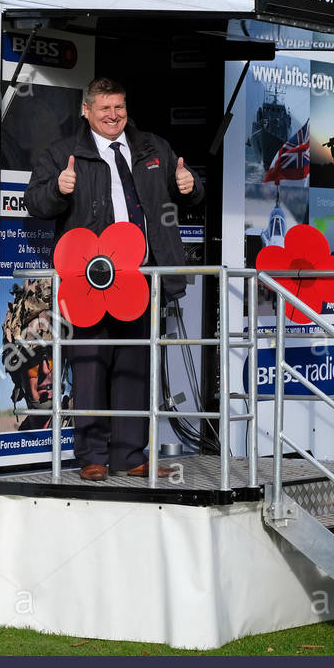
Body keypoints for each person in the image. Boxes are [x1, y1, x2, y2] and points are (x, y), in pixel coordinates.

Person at [24, 78, 203, 482]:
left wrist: (191, 187)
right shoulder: (63, 154)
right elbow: (34, 202)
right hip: (89, 282)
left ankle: (129, 455)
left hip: (141, 280)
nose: (113, 115)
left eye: (119, 107)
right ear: (86, 110)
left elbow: (189, 192)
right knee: (90, 367)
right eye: (104, 108)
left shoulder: (153, 148)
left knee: (134, 369)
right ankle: (92, 455)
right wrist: (58, 188)